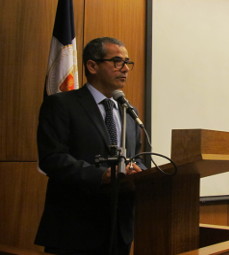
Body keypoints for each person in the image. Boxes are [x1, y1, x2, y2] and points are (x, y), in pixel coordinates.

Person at [35, 37, 146, 255]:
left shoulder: (129, 111)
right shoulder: (61, 105)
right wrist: (101, 175)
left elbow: (139, 156)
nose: (125, 69)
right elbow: (53, 158)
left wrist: (137, 169)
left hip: (119, 228)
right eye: (117, 62)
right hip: (75, 228)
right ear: (92, 65)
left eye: (127, 62)